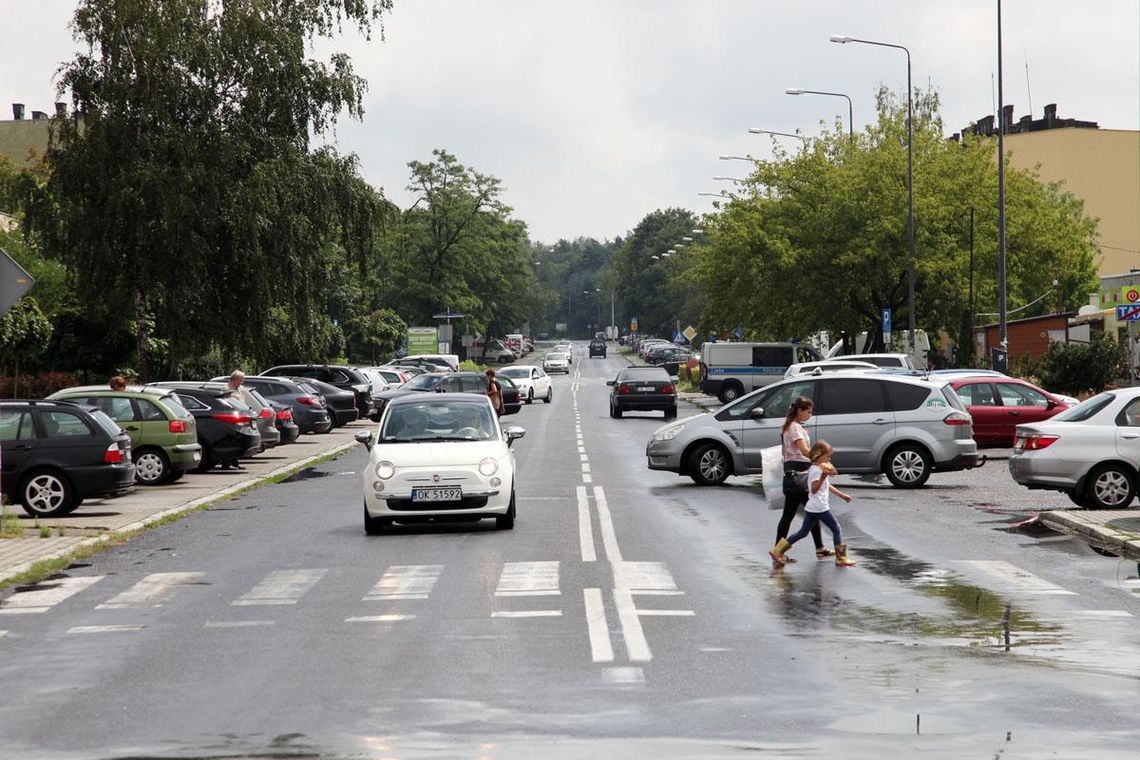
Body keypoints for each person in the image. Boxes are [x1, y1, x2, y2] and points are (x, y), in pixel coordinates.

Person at [770, 440, 855, 567]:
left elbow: (827, 486)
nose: (829, 459)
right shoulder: (816, 471)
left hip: (812, 507)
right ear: (818, 455)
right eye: (827, 456)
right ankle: (841, 558)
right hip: (820, 507)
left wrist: (842, 496)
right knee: (836, 529)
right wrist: (822, 478)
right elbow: (814, 489)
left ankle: (777, 550)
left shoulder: (818, 468)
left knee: (803, 532)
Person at [775, 396, 832, 562]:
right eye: (808, 412)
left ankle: (780, 551)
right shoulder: (794, 427)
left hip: (794, 476)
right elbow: (804, 450)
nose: (810, 415)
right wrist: (821, 462)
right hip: (797, 476)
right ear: (799, 411)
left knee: (790, 515)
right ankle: (817, 549)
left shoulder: (791, 426)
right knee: (813, 510)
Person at [221, 370, 246, 471]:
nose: (242, 382)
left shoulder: (238, 389)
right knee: (229, 440)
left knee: (237, 440)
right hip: (230, 418)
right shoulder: (226, 389)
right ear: (235, 379)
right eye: (241, 380)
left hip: (238, 417)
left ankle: (235, 462)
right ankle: (226, 464)